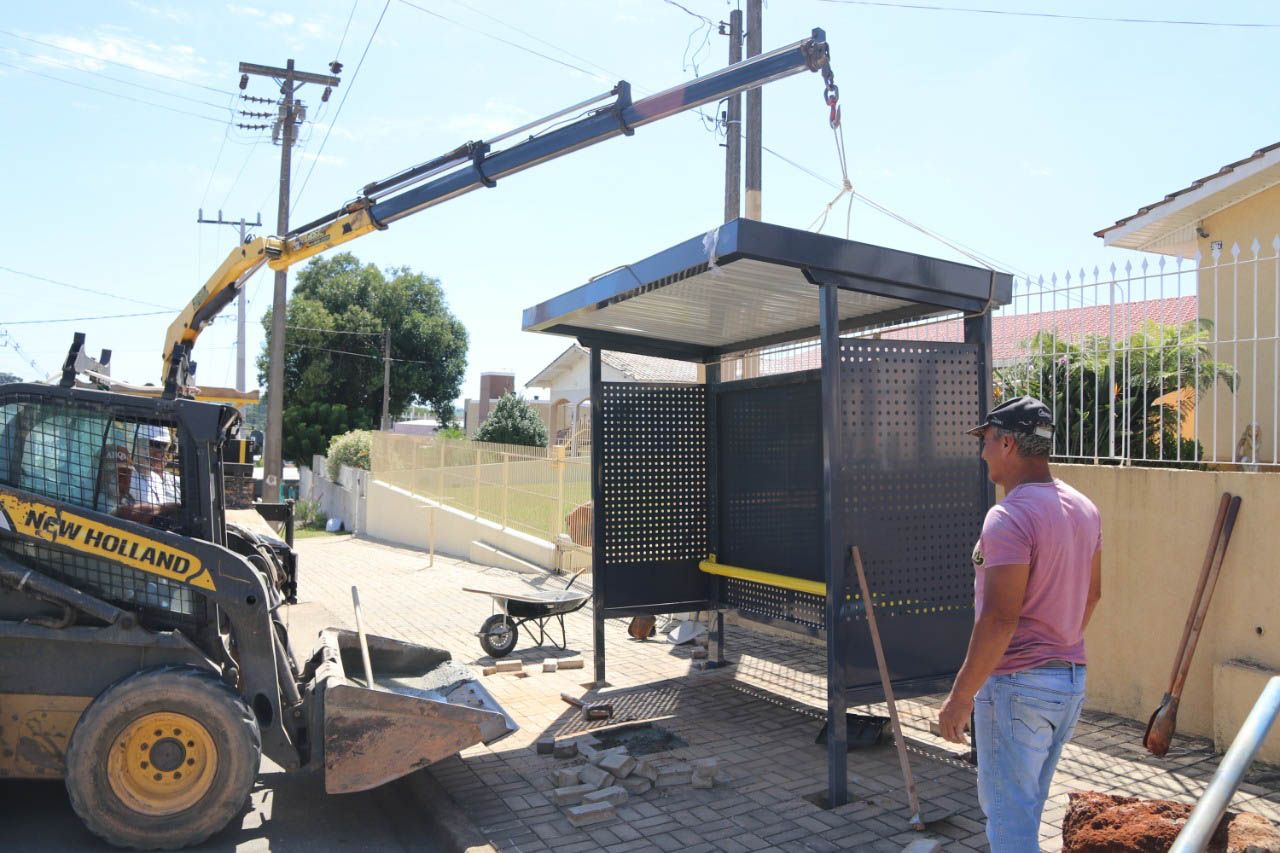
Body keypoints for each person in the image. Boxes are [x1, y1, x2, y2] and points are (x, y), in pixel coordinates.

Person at [937, 395, 1103, 852]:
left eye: (987, 441)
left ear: (1008, 442)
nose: (983, 451)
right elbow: (1092, 595)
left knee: (1009, 822)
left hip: (1017, 688)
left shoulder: (1008, 517)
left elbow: (999, 619)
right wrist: (1058, 640)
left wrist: (960, 697)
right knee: (1026, 811)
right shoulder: (1084, 508)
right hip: (1068, 682)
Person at [117, 424, 181, 524]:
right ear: (138, 444)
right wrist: (166, 509)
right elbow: (120, 514)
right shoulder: (125, 475)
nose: (162, 451)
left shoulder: (156, 478)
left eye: (165, 446)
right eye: (156, 445)